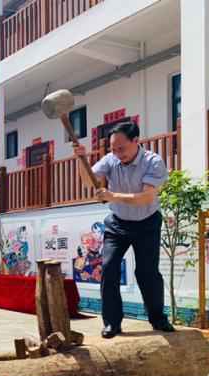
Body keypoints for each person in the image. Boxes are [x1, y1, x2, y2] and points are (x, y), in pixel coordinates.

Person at [75, 121, 175, 339]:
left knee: (147, 273)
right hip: (118, 223)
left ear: (135, 141)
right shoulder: (110, 160)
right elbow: (87, 181)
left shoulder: (153, 162)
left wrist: (112, 196)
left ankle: (158, 319)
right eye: (113, 149)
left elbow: (145, 198)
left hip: (147, 222)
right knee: (109, 269)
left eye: (121, 148)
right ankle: (112, 323)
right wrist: (81, 160)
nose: (117, 153)